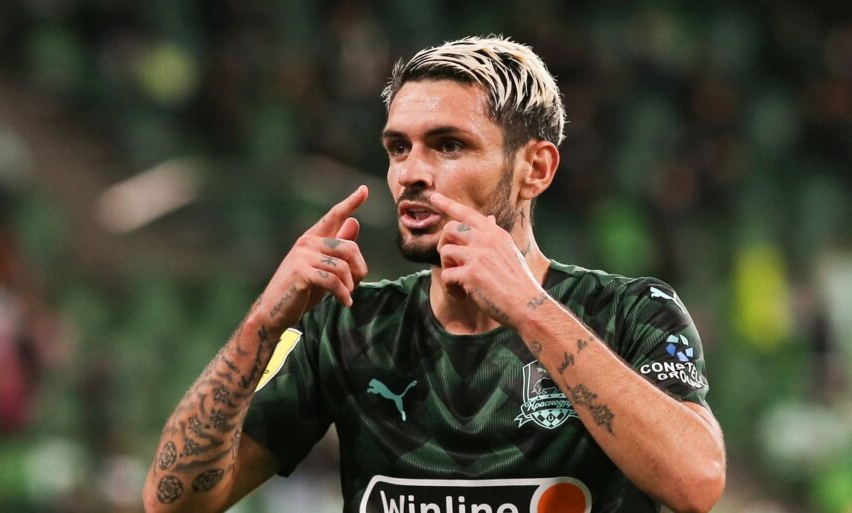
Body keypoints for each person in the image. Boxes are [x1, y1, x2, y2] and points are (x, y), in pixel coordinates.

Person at [142, 36, 725, 513]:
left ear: (535, 168)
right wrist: (263, 327)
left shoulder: (630, 313)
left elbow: (695, 483)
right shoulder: (349, 327)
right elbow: (174, 502)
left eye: (448, 146)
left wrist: (528, 309)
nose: (410, 174)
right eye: (398, 148)